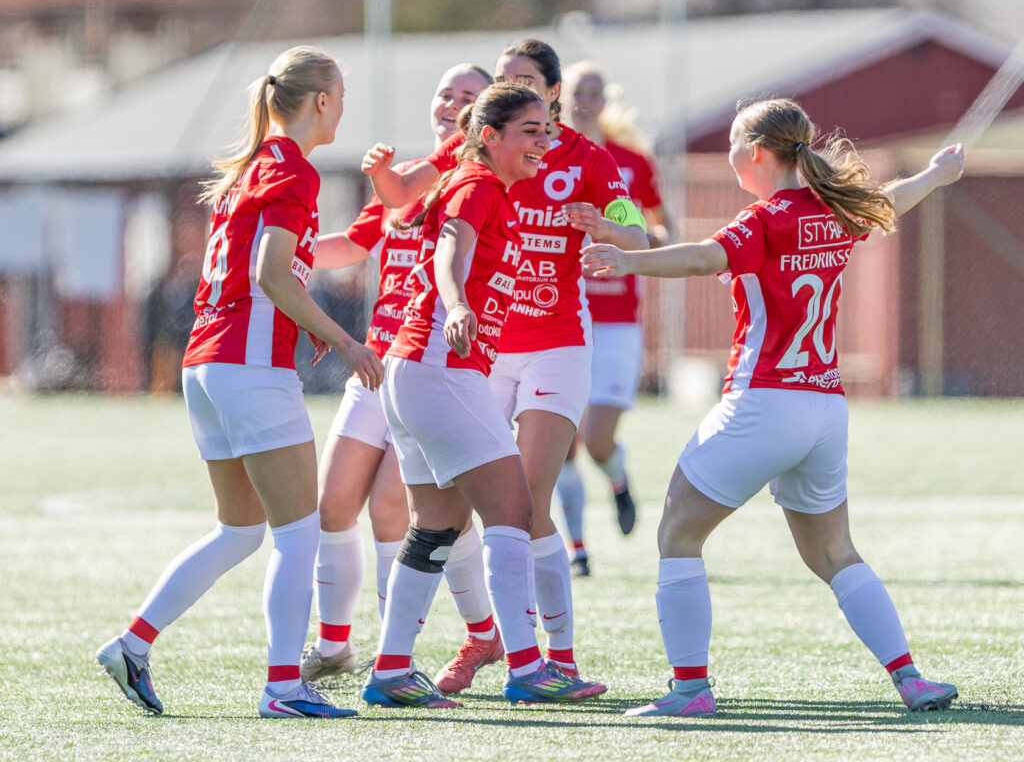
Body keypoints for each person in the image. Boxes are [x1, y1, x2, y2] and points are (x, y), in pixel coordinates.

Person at [582, 98, 966, 717]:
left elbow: (703, 257)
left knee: (677, 533)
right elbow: (888, 201)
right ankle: (910, 679)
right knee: (834, 553)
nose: (730, 154)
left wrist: (627, 260)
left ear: (756, 152)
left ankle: (689, 691)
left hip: (764, 401)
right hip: (824, 408)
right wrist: (936, 175)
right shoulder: (831, 208)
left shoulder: (767, 218)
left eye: (734, 143)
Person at [95, 45, 384, 719]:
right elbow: (272, 275)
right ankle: (284, 687)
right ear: (320, 101)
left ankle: (132, 644)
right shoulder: (293, 170)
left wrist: (378, 223)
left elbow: (281, 268)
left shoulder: (256, 166)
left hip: (208, 365)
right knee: (299, 533)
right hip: (249, 367)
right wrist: (346, 341)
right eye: (340, 96)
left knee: (241, 531)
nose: (343, 108)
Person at [362, 38, 648, 693]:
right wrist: (457, 301)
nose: (539, 137)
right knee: (510, 511)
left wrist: (606, 228)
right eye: (504, 83)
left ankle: (406, 667)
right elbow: (436, 230)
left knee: (464, 517)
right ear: (491, 129)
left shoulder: (580, 159)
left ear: (553, 94)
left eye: (527, 84)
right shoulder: (479, 170)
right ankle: (521, 662)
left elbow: (638, 233)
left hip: (527, 349)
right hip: (453, 361)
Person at [299, 63, 505, 690]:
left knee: (397, 510)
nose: (452, 104)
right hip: (376, 364)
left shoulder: (483, 181)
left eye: (468, 96)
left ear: (486, 117)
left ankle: (411, 653)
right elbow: (352, 243)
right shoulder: (406, 180)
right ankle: (336, 645)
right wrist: (282, 251)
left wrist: (625, 228)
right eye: (445, 93)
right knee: (333, 501)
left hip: (435, 366)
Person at [557, 60, 672, 575]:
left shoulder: (628, 163)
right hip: (562, 316)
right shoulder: (546, 159)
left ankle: (618, 480)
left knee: (598, 441)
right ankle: (577, 549)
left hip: (617, 320)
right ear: (559, 97)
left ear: (605, 100)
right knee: (562, 443)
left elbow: (659, 227)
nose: (585, 101)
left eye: (594, 92)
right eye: (577, 92)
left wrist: (644, 241)